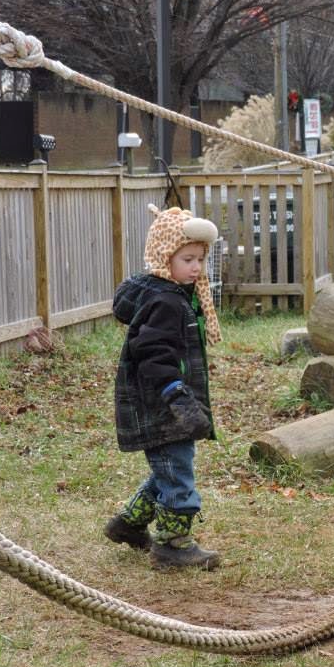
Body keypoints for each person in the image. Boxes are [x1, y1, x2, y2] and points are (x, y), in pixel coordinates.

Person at [104, 204, 224, 570]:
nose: (196, 267)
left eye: (200, 259)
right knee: (177, 472)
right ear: (163, 256)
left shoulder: (169, 293)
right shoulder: (166, 300)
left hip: (164, 400)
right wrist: (175, 394)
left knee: (169, 467)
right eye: (187, 259)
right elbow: (153, 353)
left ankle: (129, 524)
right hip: (163, 403)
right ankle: (173, 545)